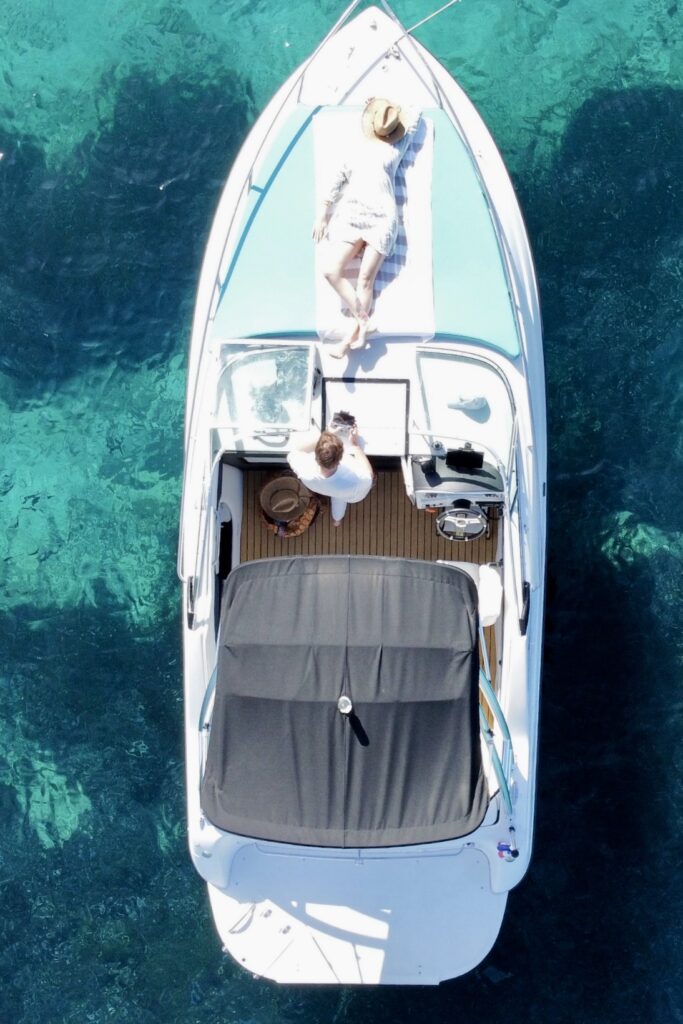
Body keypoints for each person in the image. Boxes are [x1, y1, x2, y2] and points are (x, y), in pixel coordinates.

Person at [313, 97, 421, 358]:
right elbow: (335, 181)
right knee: (330, 270)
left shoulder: (397, 147)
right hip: (353, 215)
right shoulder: (357, 150)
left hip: (382, 218)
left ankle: (354, 334)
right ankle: (363, 322)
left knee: (364, 280)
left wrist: (381, 108)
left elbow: (415, 113)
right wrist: (322, 215)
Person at [287, 426, 374, 526]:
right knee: (339, 499)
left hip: (326, 489)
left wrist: (324, 436)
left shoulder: (305, 470)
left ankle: (337, 521)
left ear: (315, 453)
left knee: (337, 497)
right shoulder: (357, 479)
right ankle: (337, 521)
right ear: (340, 457)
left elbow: (294, 452)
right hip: (351, 494)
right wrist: (355, 445)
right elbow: (369, 475)